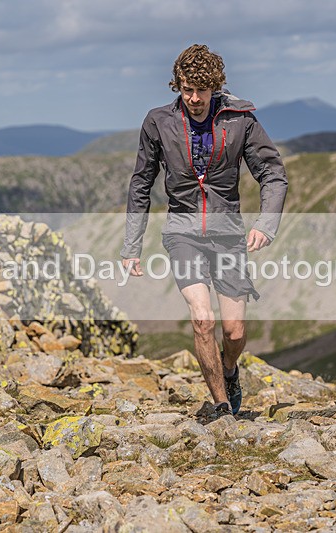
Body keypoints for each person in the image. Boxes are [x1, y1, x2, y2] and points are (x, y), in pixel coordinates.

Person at [121, 44, 287, 417]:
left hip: (228, 233)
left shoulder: (239, 119)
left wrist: (266, 223)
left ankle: (229, 370)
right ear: (177, 85)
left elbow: (273, 174)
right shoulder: (158, 121)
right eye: (186, 89)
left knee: (234, 331)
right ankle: (222, 406)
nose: (194, 98)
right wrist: (132, 245)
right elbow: (141, 184)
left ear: (216, 86)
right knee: (202, 318)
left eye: (201, 89)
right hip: (182, 232)